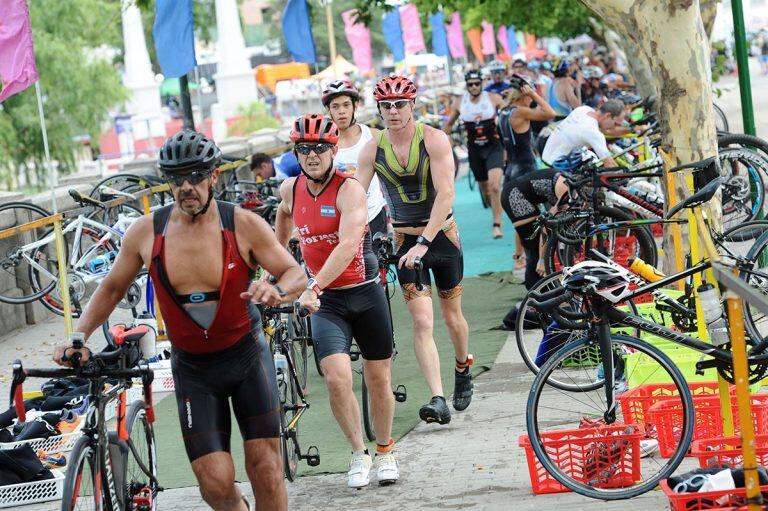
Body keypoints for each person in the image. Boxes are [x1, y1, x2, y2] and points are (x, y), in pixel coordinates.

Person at [53, 130, 307, 511]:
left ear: (214, 176)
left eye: (194, 176)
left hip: (245, 357)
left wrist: (277, 290)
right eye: (176, 178)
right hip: (194, 368)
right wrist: (78, 336)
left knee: (266, 468)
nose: (186, 186)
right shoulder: (145, 232)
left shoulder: (241, 224)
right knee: (215, 484)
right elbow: (110, 289)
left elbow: (294, 273)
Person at [274, 114, 399, 488]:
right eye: (303, 149)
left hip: (364, 293)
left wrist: (313, 287)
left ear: (332, 149)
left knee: (379, 380)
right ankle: (358, 453)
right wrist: (275, 263)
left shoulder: (349, 190)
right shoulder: (289, 190)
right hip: (328, 305)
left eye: (318, 148)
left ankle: (385, 450)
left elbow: (347, 246)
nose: (311, 156)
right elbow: (282, 219)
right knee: (337, 379)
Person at [356, 74, 473, 427]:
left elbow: (447, 194)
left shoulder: (434, 140)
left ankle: (462, 365)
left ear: (412, 105)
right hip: (405, 242)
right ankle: (438, 398)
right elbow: (355, 195)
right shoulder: (373, 148)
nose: (392, 112)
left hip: (442, 239)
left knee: (453, 318)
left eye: (399, 105)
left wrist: (425, 243)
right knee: (422, 321)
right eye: (386, 106)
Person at [497, 76, 557, 272]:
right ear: (524, 93)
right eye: (531, 92)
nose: (533, 95)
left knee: (520, 217)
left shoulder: (503, 112)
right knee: (533, 218)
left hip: (511, 168)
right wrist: (534, 95)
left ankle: (519, 256)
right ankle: (535, 258)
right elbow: (550, 113)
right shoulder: (521, 111)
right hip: (525, 167)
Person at [321, 80, 390, 242]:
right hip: (339, 220)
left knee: (376, 266)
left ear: (355, 105)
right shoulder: (323, 145)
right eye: (335, 107)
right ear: (328, 110)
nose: (341, 112)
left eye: (346, 105)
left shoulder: (374, 136)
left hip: (373, 215)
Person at [443, 70, 506, 239]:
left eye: (477, 83)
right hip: (475, 150)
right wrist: (443, 141)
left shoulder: (492, 98)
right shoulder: (459, 102)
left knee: (495, 187)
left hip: (494, 147)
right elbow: (448, 125)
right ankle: (490, 202)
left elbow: (509, 113)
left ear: (481, 83)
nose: (474, 87)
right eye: (470, 84)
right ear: (466, 85)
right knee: (485, 189)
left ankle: (497, 225)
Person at [501, 168, 571, 290]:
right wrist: (542, 260)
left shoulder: (567, 184)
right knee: (534, 248)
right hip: (515, 195)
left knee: (530, 238)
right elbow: (547, 225)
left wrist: (519, 251)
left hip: (516, 191)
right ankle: (536, 291)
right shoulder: (566, 192)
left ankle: (539, 289)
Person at [541, 100, 627, 168]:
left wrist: (629, 130)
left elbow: (603, 131)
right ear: (607, 115)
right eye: (615, 124)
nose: (614, 128)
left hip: (544, 158)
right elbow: (609, 164)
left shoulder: (583, 109)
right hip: (554, 167)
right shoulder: (593, 132)